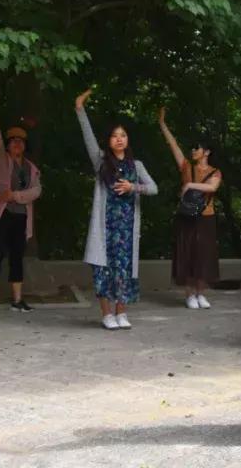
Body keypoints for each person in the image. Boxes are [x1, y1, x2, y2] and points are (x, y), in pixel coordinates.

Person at [76, 89, 157, 330]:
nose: (119, 139)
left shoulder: (137, 165)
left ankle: (121, 312)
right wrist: (80, 109)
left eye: (123, 135)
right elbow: (88, 138)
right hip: (105, 229)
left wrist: (134, 187)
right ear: (108, 141)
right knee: (103, 270)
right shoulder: (101, 162)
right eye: (114, 136)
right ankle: (106, 314)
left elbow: (154, 188)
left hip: (127, 230)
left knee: (124, 270)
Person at [0, 94, 42, 315]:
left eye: (20, 141)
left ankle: (17, 299)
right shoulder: (1, 159)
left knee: (17, 256)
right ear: (8, 145)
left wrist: (15, 196)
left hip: (20, 216)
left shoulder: (31, 168)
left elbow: (36, 191)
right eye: (13, 141)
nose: (17, 144)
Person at [159, 107, 221, 309]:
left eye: (197, 148)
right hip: (186, 216)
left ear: (207, 152)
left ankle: (201, 293)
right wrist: (162, 124)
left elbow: (212, 187)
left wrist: (190, 185)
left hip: (206, 216)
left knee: (204, 254)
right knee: (187, 253)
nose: (193, 151)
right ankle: (189, 295)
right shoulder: (186, 166)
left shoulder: (215, 171)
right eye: (193, 148)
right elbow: (173, 145)